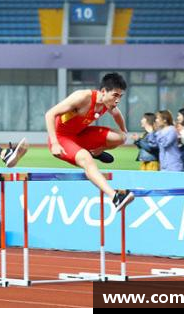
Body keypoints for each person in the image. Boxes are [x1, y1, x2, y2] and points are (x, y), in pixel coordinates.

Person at [45, 72, 134, 211]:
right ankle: (115, 197)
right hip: (61, 138)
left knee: (121, 137)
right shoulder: (82, 97)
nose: (117, 101)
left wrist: (124, 130)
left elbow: (117, 115)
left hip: (80, 135)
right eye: (115, 96)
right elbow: (50, 114)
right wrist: (55, 143)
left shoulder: (108, 103)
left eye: (120, 96)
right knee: (86, 159)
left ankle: (96, 152)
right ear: (103, 91)